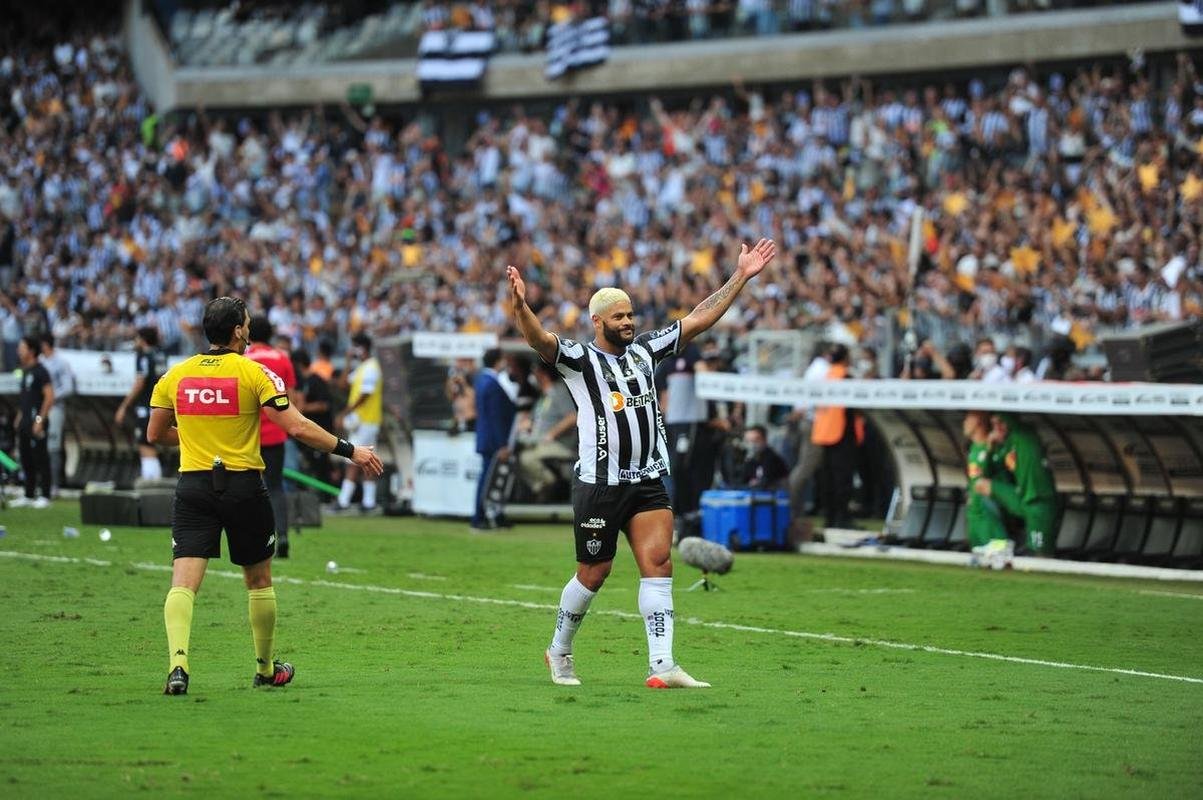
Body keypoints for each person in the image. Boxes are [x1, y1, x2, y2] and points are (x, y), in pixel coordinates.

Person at [508, 237, 777, 690]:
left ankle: (662, 665)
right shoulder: (579, 360)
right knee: (594, 573)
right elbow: (538, 339)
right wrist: (520, 308)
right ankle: (559, 651)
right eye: (620, 317)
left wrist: (741, 277)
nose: (629, 322)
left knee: (658, 564)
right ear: (598, 322)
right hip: (599, 483)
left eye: (631, 315)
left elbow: (699, 318)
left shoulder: (647, 350)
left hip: (648, 477)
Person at [147, 296, 383, 696]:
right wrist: (351, 450)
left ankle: (178, 666)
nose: (250, 329)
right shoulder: (255, 373)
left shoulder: (176, 375)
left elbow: (155, 435)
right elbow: (299, 427)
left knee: (183, 583)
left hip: (193, 487)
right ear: (238, 330)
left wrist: (195, 436)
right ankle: (265, 668)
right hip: (243, 487)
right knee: (258, 581)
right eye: (248, 323)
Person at [244, 317, 299, 558]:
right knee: (275, 487)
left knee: (250, 488)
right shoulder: (283, 358)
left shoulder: (243, 360)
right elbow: (292, 399)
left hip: (250, 434)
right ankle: (283, 535)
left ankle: (256, 538)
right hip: (277, 432)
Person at [972, 412, 1057, 555]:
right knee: (982, 485)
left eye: (1001, 422)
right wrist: (989, 447)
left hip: (1038, 500)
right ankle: (1000, 542)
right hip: (1021, 497)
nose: (997, 428)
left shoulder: (1023, 435)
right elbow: (987, 471)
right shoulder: (1006, 445)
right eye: (994, 424)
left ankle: (1027, 552)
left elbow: (1014, 421)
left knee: (1039, 549)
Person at [811, 344, 864, 530]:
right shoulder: (845, 377)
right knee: (843, 479)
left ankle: (830, 516)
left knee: (828, 478)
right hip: (841, 432)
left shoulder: (826, 376)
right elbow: (855, 406)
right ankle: (842, 518)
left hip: (824, 433)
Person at [336, 333, 384, 512]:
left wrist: (345, 412)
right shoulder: (363, 367)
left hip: (366, 421)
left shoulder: (371, 368)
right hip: (363, 421)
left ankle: (344, 501)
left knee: (355, 458)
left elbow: (365, 395)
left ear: (362, 347)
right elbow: (342, 384)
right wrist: (348, 362)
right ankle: (368, 502)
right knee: (366, 460)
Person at [517, 360, 577, 501]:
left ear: (542, 374)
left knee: (527, 458)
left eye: (535, 372)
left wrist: (551, 434)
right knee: (519, 456)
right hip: (539, 443)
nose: (533, 376)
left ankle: (552, 484)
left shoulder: (559, 391)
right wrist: (527, 423)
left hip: (560, 445)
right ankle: (544, 487)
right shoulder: (543, 396)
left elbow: (572, 417)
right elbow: (535, 419)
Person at [472, 347, 517, 529]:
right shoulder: (491, 383)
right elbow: (496, 417)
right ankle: (479, 517)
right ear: (497, 361)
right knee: (488, 480)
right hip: (493, 441)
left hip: (487, 438)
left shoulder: (483, 380)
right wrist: (502, 445)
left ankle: (494, 515)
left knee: (493, 479)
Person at [116, 327, 165, 482]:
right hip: (160, 406)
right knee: (151, 444)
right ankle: (152, 482)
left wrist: (124, 406)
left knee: (145, 445)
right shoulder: (161, 355)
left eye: (137, 338)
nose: (135, 342)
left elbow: (140, 383)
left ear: (143, 340)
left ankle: (151, 485)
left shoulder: (144, 357)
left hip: (146, 407)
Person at [12, 336, 54, 508]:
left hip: (37, 421)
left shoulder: (41, 371)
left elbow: (50, 397)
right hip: (25, 421)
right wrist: (19, 417)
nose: (18, 350)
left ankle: (45, 495)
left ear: (31, 351)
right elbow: (26, 399)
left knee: (41, 458)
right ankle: (28, 494)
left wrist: (39, 420)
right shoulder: (25, 371)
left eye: (22, 347)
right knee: (26, 458)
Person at [962, 410, 1009, 550]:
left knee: (998, 553)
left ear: (977, 422)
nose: (964, 423)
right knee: (977, 559)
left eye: (967, 419)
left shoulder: (993, 449)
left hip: (988, 512)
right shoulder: (974, 448)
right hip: (974, 512)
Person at [39, 335, 76, 497]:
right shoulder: (39, 361)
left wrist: (52, 397)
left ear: (45, 344)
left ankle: (54, 485)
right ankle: (41, 483)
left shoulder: (61, 362)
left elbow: (68, 387)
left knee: (53, 446)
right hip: (40, 409)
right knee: (39, 445)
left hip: (55, 408)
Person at [292, 350, 334, 486]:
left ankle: (328, 498)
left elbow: (324, 405)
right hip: (308, 430)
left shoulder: (316, 380)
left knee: (322, 464)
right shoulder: (301, 382)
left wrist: (302, 409)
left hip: (321, 428)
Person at [737, 425, 789, 489]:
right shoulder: (750, 459)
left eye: (755, 440)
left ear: (764, 440)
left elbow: (765, 483)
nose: (751, 444)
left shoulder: (772, 458)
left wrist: (755, 483)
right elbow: (741, 481)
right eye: (748, 441)